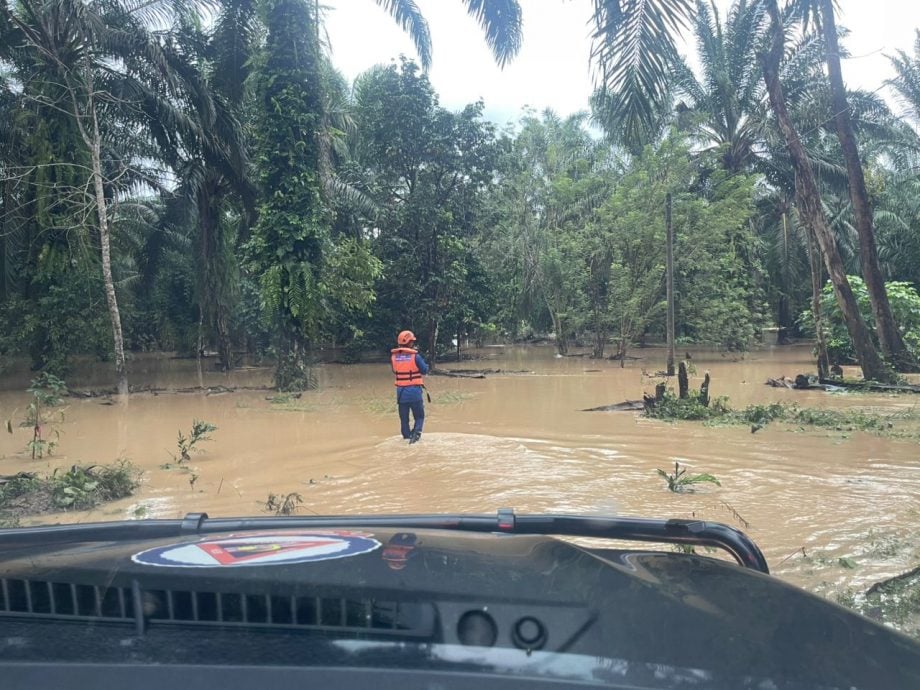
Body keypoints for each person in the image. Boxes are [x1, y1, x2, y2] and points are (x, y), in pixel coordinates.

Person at [391, 330, 429, 444]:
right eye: (412, 341)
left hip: (401, 393)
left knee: (404, 419)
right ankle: (415, 437)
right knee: (420, 417)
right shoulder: (415, 356)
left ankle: (406, 438)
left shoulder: (393, 357)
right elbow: (424, 370)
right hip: (414, 392)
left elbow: (395, 371)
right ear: (409, 342)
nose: (413, 343)